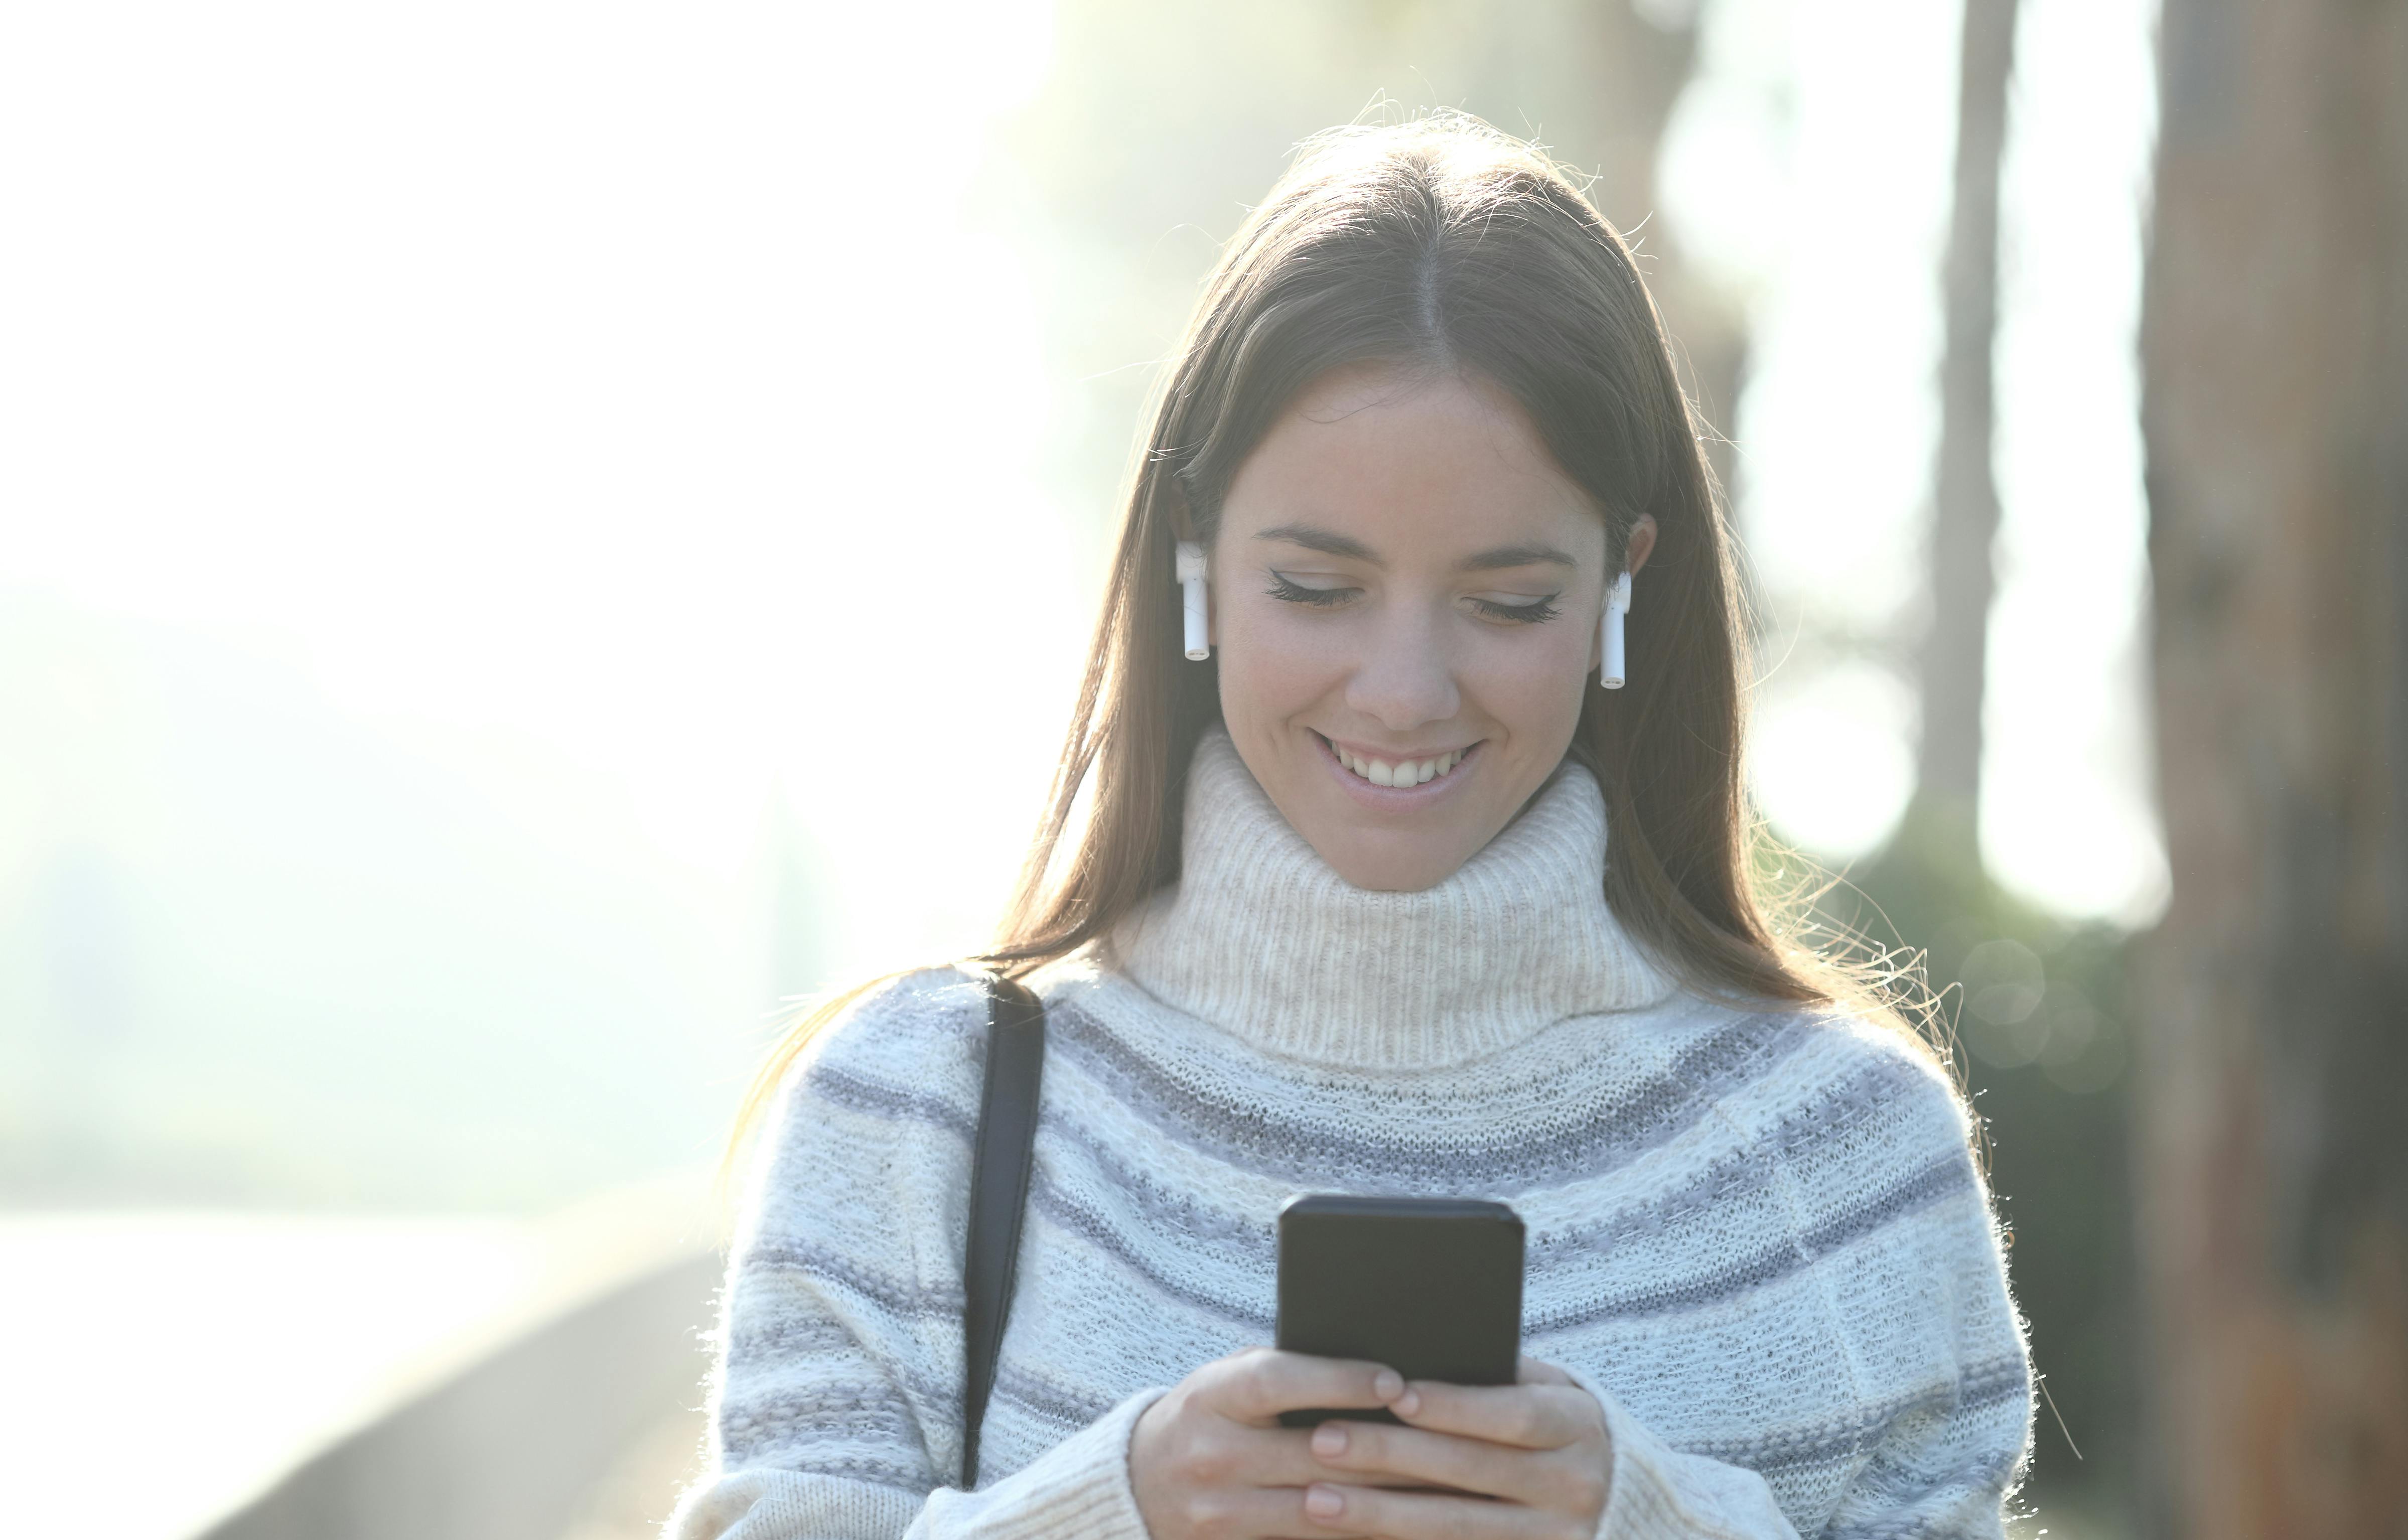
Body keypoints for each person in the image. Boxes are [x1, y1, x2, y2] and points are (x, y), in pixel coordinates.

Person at [666, 114, 2032, 1540]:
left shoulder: (1853, 1160)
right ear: (1192, 552)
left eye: (1510, 602)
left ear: (1625, 584)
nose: (1402, 693)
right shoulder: (919, 1113)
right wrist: (1110, 1509)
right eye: (1317, 589)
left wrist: (1651, 1522)